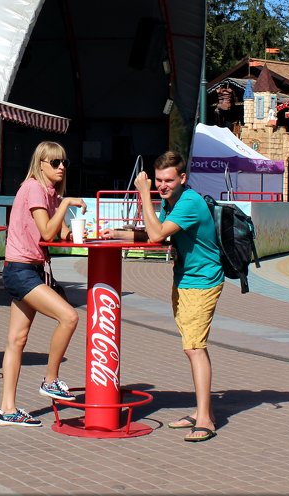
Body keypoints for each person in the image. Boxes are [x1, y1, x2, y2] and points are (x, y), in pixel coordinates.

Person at [106, 151, 221, 442]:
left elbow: (156, 235)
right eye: (158, 180)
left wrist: (144, 193)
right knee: (192, 347)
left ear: (183, 178)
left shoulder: (189, 202)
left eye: (168, 180)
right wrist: (118, 235)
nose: (162, 185)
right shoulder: (173, 202)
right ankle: (200, 410)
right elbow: (156, 233)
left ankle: (205, 418)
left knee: (195, 347)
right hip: (185, 280)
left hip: (202, 282)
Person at [0, 141, 83, 428]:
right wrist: (68, 203)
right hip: (22, 270)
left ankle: (7, 410)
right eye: (54, 163)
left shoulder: (50, 194)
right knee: (69, 317)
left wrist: (72, 223)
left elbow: (59, 235)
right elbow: (47, 229)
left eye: (64, 163)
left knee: (16, 340)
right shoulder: (34, 187)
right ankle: (51, 380)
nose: (60, 167)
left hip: (28, 268)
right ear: (41, 164)